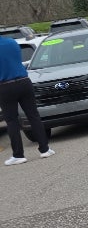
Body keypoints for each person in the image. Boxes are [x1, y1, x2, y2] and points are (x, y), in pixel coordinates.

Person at [0, 34, 55, 165]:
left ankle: (18, 155)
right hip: (24, 82)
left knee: (12, 120)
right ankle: (45, 149)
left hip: (5, 85)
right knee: (33, 115)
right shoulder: (12, 42)